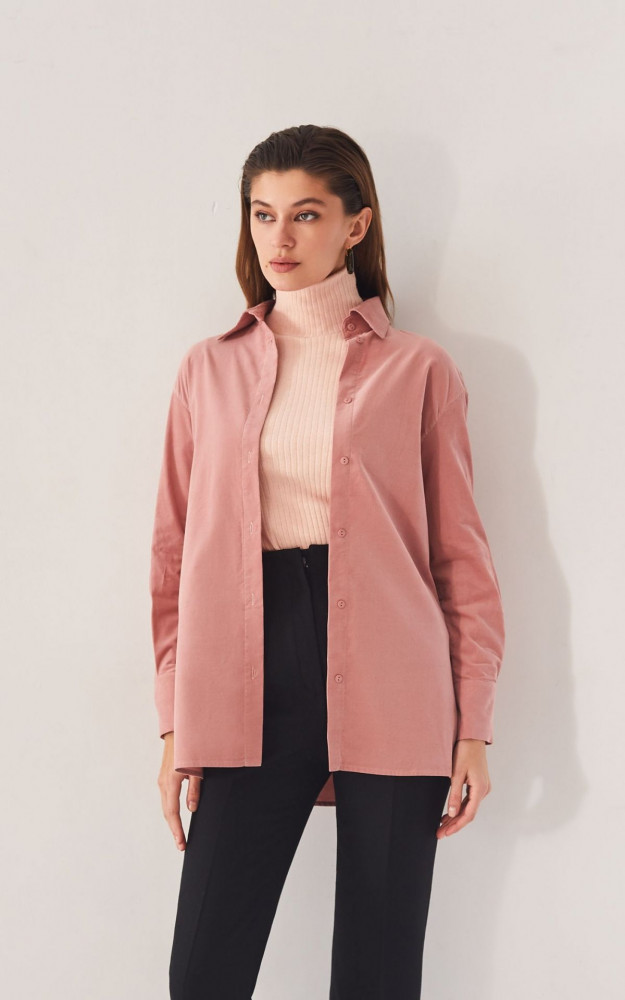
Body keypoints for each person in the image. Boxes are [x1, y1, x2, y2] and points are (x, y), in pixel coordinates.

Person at [149, 124, 506, 999]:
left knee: (377, 977)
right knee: (202, 972)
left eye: (305, 215)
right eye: (262, 214)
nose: (279, 238)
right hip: (246, 680)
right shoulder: (208, 369)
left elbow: (460, 558)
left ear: (355, 224)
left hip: (393, 676)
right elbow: (171, 555)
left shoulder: (418, 370)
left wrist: (472, 726)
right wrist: (174, 722)